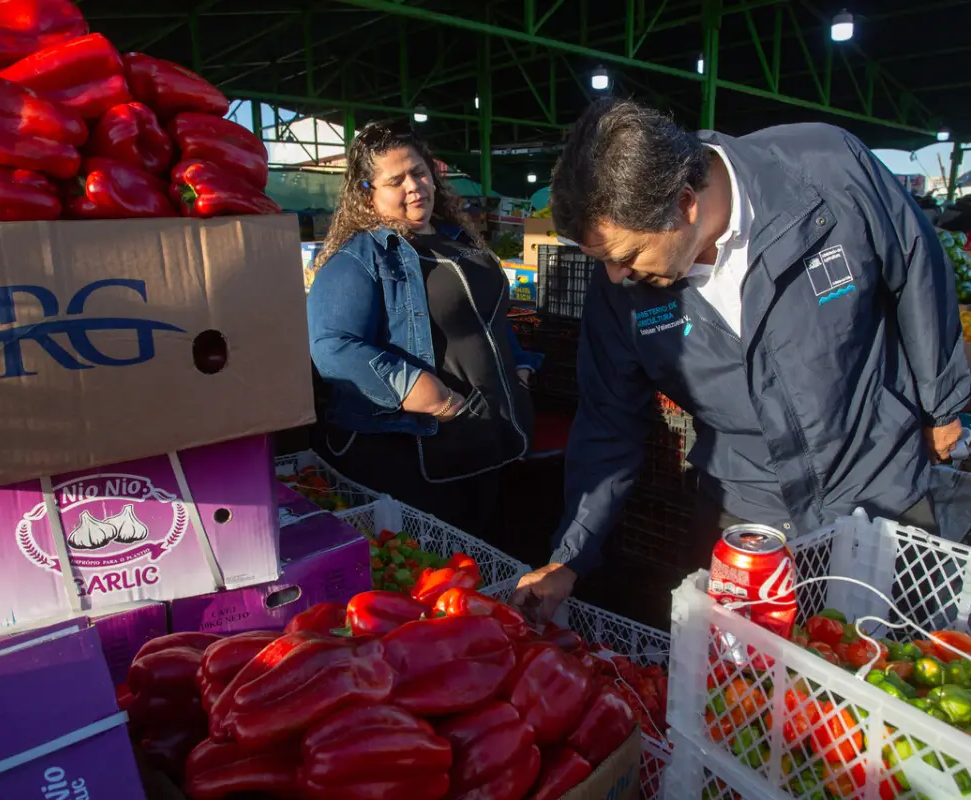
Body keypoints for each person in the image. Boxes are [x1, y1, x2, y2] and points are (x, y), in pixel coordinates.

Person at [511, 98, 970, 624]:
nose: (615, 277)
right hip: (749, 507)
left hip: (877, 476)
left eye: (627, 256)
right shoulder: (619, 293)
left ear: (685, 203)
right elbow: (608, 422)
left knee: (893, 662)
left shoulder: (824, 170)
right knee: (749, 678)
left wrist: (943, 404)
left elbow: (914, 263)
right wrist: (569, 556)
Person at [307, 121, 541, 539]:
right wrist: (422, 391)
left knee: (493, 557)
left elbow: (489, 316)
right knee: (440, 572)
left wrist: (520, 366)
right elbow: (333, 346)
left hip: (493, 439)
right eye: (395, 180)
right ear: (368, 193)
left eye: (419, 171)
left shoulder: (459, 241)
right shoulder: (360, 259)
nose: (414, 186)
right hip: (422, 453)